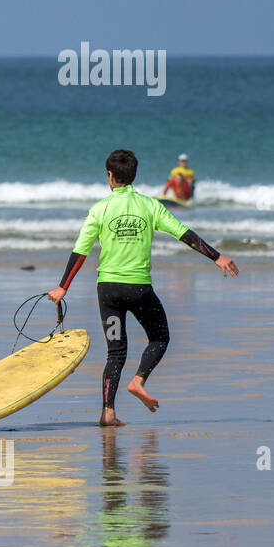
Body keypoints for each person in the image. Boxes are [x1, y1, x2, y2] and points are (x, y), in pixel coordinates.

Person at [49, 149, 238, 427]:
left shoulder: (99, 209)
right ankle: (138, 382)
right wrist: (217, 256)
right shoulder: (151, 206)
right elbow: (183, 233)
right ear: (134, 176)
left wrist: (62, 287)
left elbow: (81, 251)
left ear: (110, 176)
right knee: (160, 338)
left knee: (116, 351)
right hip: (139, 291)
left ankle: (108, 413)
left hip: (109, 292)